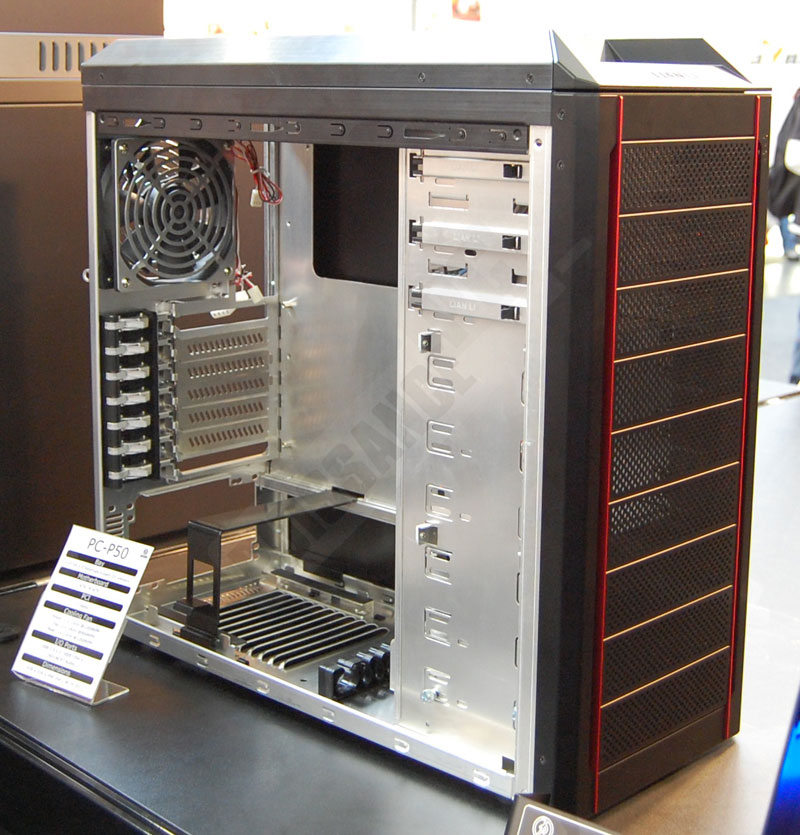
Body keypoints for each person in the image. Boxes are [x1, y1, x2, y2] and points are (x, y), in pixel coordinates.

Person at [768, 90, 800, 260]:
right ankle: (789, 245)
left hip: (787, 167)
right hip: (788, 168)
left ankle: (789, 245)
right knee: (777, 206)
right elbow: (793, 156)